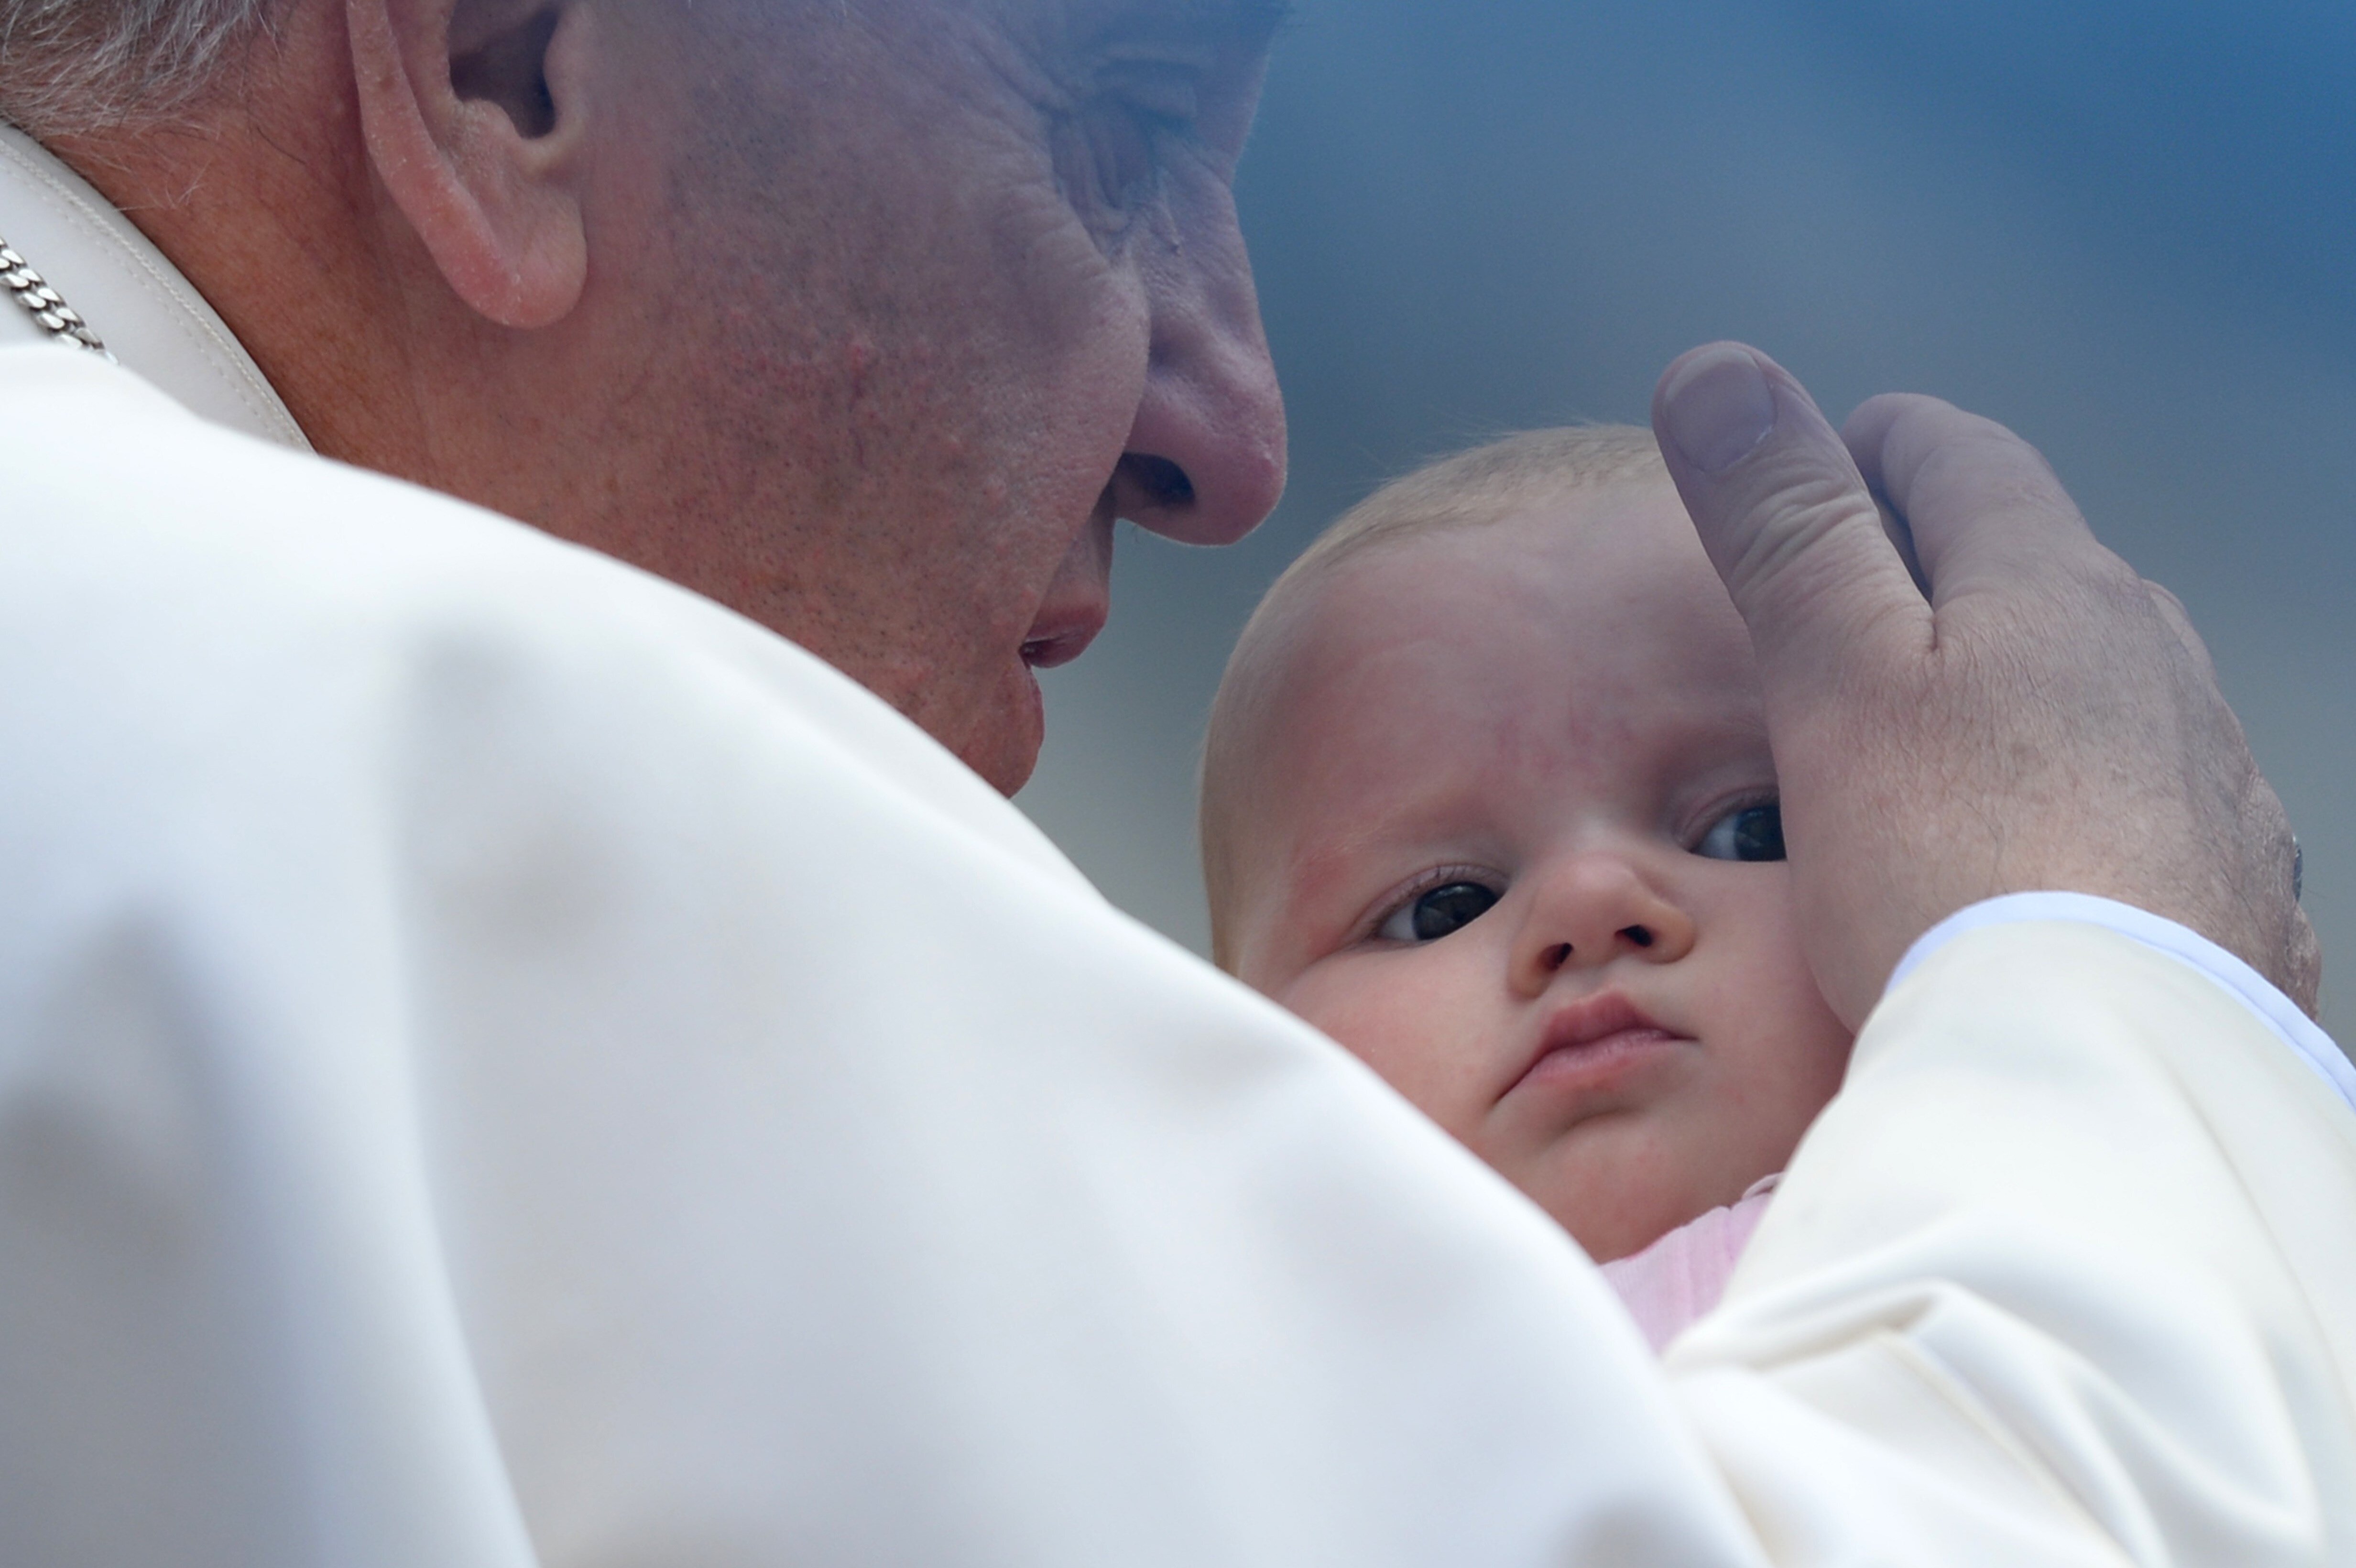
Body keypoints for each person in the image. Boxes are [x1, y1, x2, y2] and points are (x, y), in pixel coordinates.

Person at [0, 0, 2349, 1562]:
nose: (1229, 435)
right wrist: (2106, 981)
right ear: (507, 65)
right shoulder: (416, 746)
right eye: (1116, 134)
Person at [1200, 425, 1853, 1349]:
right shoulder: (1231, 1392)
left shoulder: (2030, 1199)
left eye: (1752, 831)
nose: (1589, 903)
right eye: (1443, 909)